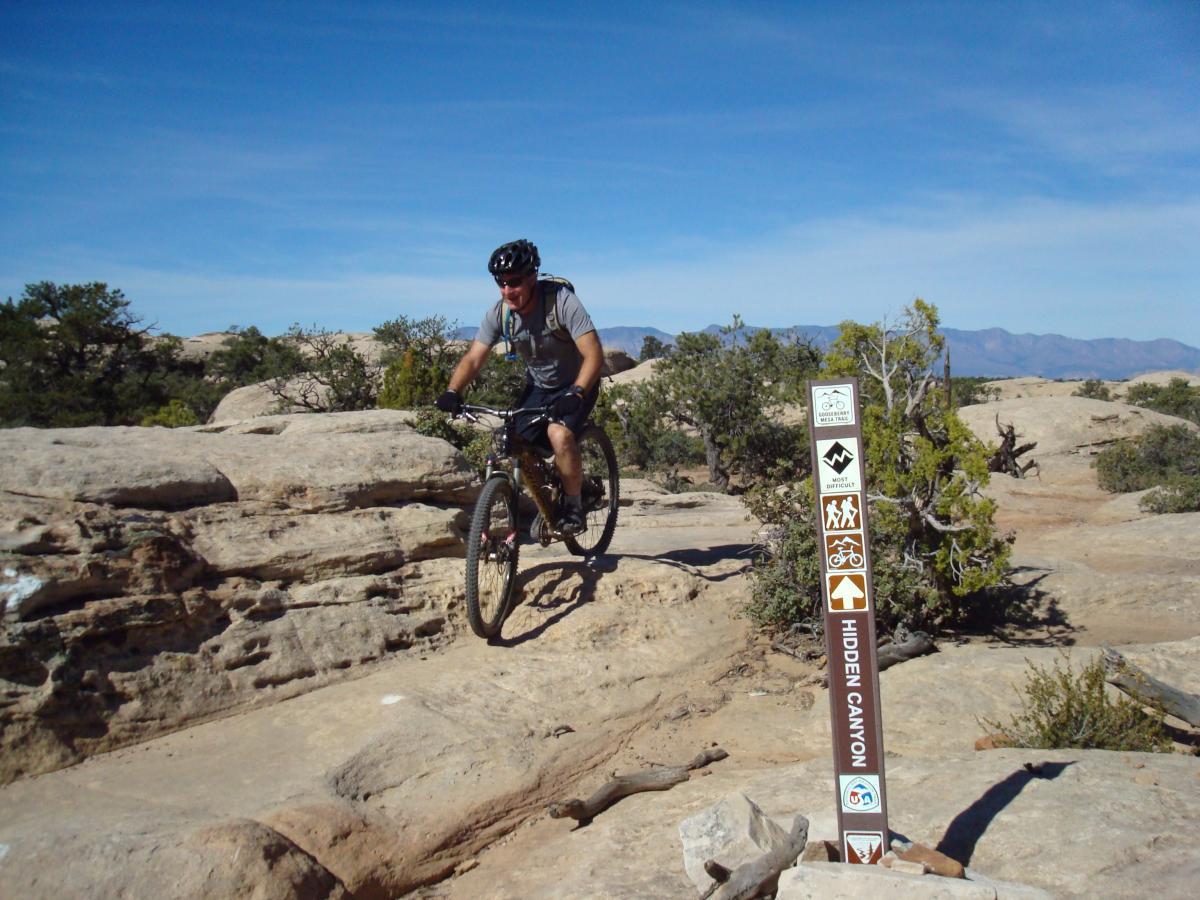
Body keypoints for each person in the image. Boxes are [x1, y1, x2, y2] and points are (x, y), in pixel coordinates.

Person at [435, 239, 604, 534]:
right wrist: (453, 391)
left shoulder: (561, 302)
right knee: (511, 439)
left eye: (513, 282)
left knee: (559, 434)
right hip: (539, 386)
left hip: (578, 382)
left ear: (532, 277)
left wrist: (576, 392)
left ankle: (574, 505)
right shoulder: (501, 314)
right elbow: (474, 358)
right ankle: (550, 491)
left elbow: (594, 354)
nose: (506, 290)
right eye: (500, 283)